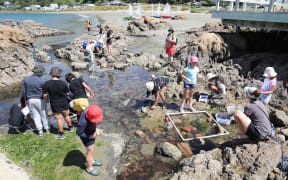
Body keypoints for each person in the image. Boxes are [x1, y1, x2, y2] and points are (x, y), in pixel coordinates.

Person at [43, 67, 73, 140]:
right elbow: (68, 93)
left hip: (54, 103)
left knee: (58, 118)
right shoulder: (63, 83)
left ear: (52, 75)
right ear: (59, 75)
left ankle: (61, 134)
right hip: (64, 102)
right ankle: (71, 128)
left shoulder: (47, 83)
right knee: (66, 115)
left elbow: (45, 95)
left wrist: (46, 101)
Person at [76, 104, 103, 176]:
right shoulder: (83, 122)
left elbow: (95, 122)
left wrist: (96, 128)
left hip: (91, 133)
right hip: (86, 136)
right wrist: (89, 136)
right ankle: (89, 168)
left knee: (92, 149)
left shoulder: (90, 113)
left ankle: (92, 161)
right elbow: (79, 133)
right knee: (90, 150)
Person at [22, 65, 49, 136]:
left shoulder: (26, 79)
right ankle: (47, 129)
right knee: (44, 114)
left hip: (30, 100)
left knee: (35, 115)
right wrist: (46, 100)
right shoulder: (41, 80)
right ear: (39, 72)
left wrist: (26, 99)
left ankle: (40, 132)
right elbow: (45, 92)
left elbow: (24, 91)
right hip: (40, 99)